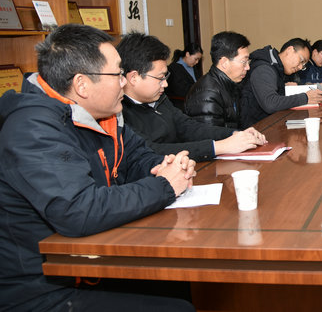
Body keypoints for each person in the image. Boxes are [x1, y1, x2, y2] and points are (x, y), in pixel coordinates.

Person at [0, 24, 195, 311]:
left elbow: (137, 156)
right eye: (117, 74)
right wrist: (164, 185)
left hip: (95, 259)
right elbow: (79, 210)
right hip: (45, 287)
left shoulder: (102, 114)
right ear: (82, 85)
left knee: (180, 282)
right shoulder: (32, 129)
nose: (124, 83)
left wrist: (165, 167)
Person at [116, 33, 266, 160]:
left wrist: (235, 134)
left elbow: (189, 128)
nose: (165, 84)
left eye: (165, 77)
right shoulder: (119, 112)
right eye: (160, 78)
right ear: (134, 77)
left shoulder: (159, 99)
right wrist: (218, 147)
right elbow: (152, 150)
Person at [240, 38, 322, 127]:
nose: (300, 67)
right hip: (257, 128)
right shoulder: (264, 68)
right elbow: (270, 104)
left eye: (303, 65)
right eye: (301, 61)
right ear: (289, 50)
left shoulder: (281, 68)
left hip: (273, 122)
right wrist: (306, 98)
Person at [185, 31, 250, 129]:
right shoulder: (207, 94)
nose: (248, 67)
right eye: (244, 62)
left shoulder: (230, 84)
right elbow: (211, 136)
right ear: (224, 62)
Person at [166, 42, 203, 109]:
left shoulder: (193, 68)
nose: (197, 62)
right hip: (181, 104)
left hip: (195, 101)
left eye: (198, 60)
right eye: (196, 59)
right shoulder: (173, 68)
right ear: (187, 54)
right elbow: (180, 90)